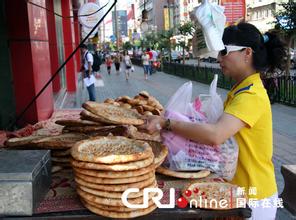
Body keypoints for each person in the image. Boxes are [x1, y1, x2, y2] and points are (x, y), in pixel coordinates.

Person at [140, 22, 287, 220]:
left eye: (224, 51)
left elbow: (216, 135)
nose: (219, 58)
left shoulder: (251, 95)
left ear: (247, 52)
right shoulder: (240, 90)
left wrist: (167, 123)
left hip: (254, 196)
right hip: (237, 191)